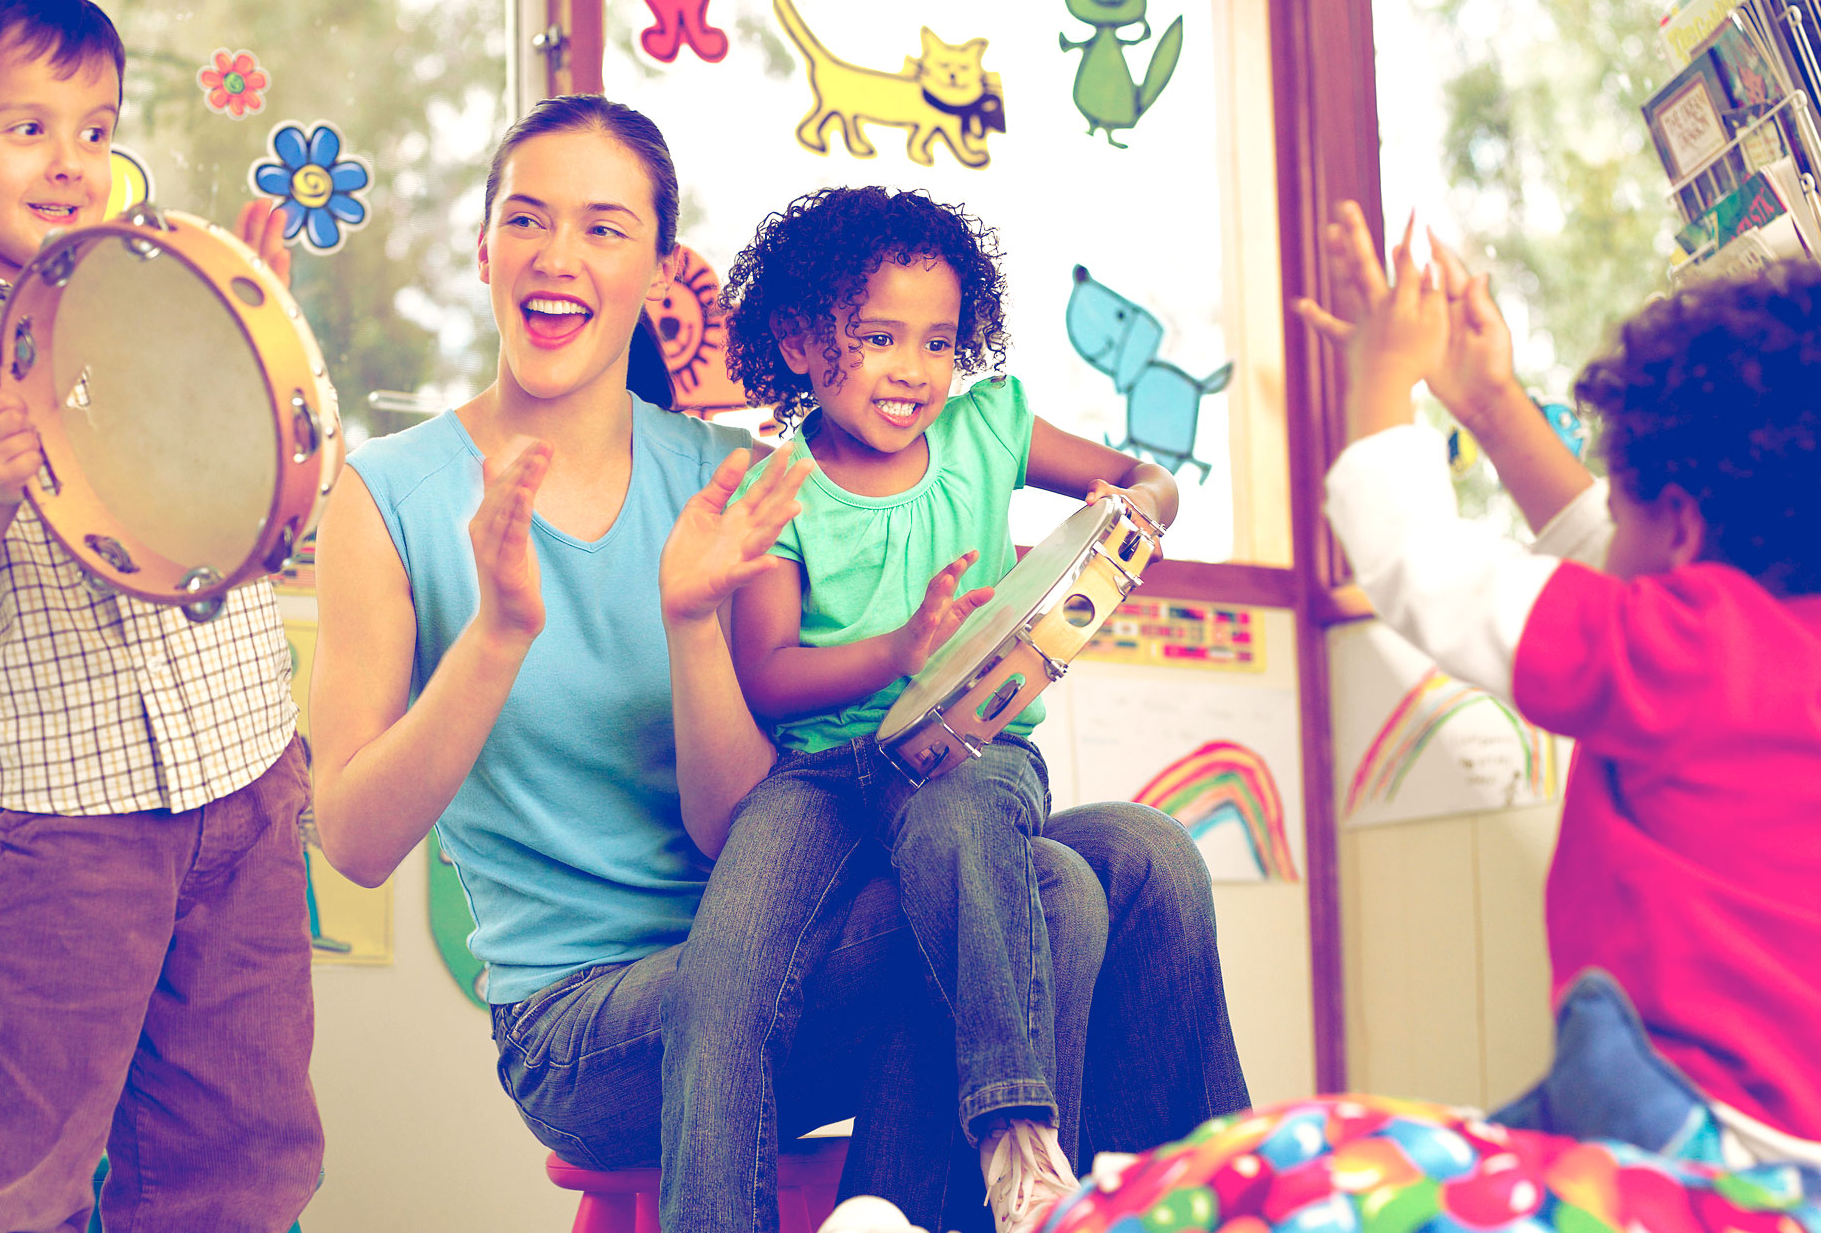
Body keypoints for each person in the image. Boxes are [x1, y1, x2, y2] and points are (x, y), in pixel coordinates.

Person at [307, 94, 1248, 1233]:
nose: (558, 258)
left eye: (604, 227)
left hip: (804, 931)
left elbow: (752, 810)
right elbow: (353, 844)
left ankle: (1201, 1207)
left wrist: (907, 658)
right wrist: (499, 636)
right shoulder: (389, 495)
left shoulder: (750, 482)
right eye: (526, 220)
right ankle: (908, 1210)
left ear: (658, 265)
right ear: (485, 246)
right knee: (1047, 891)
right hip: (594, 1023)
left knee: (1143, 857)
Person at [0, 0, 321, 1232]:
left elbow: (263, 503)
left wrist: (252, 347)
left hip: (242, 783)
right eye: (29, 125)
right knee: (21, 1166)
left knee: (242, 1154)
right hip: (59, 825)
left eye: (98, 130)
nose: (72, 163)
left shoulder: (166, 280)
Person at [1297, 201, 1821, 1169]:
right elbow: (1616, 576)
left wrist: (1378, 380)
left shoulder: (1687, 650)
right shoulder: (1758, 648)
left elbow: (1421, 566)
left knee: (1350, 1163)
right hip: (1800, 1147)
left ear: (1682, 528)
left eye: (1621, 508)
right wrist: (1491, 409)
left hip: (1687, 1125)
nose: (1604, 537)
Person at [696, 186, 1179, 1233]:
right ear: (795, 338)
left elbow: (1143, 480)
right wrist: (895, 651)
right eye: (876, 338)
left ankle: (1018, 1137)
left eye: (937, 341)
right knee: (725, 970)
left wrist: (1136, 509)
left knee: (968, 823)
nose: (912, 370)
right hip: (820, 773)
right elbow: (767, 675)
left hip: (972, 747)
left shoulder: (988, 430)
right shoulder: (773, 491)